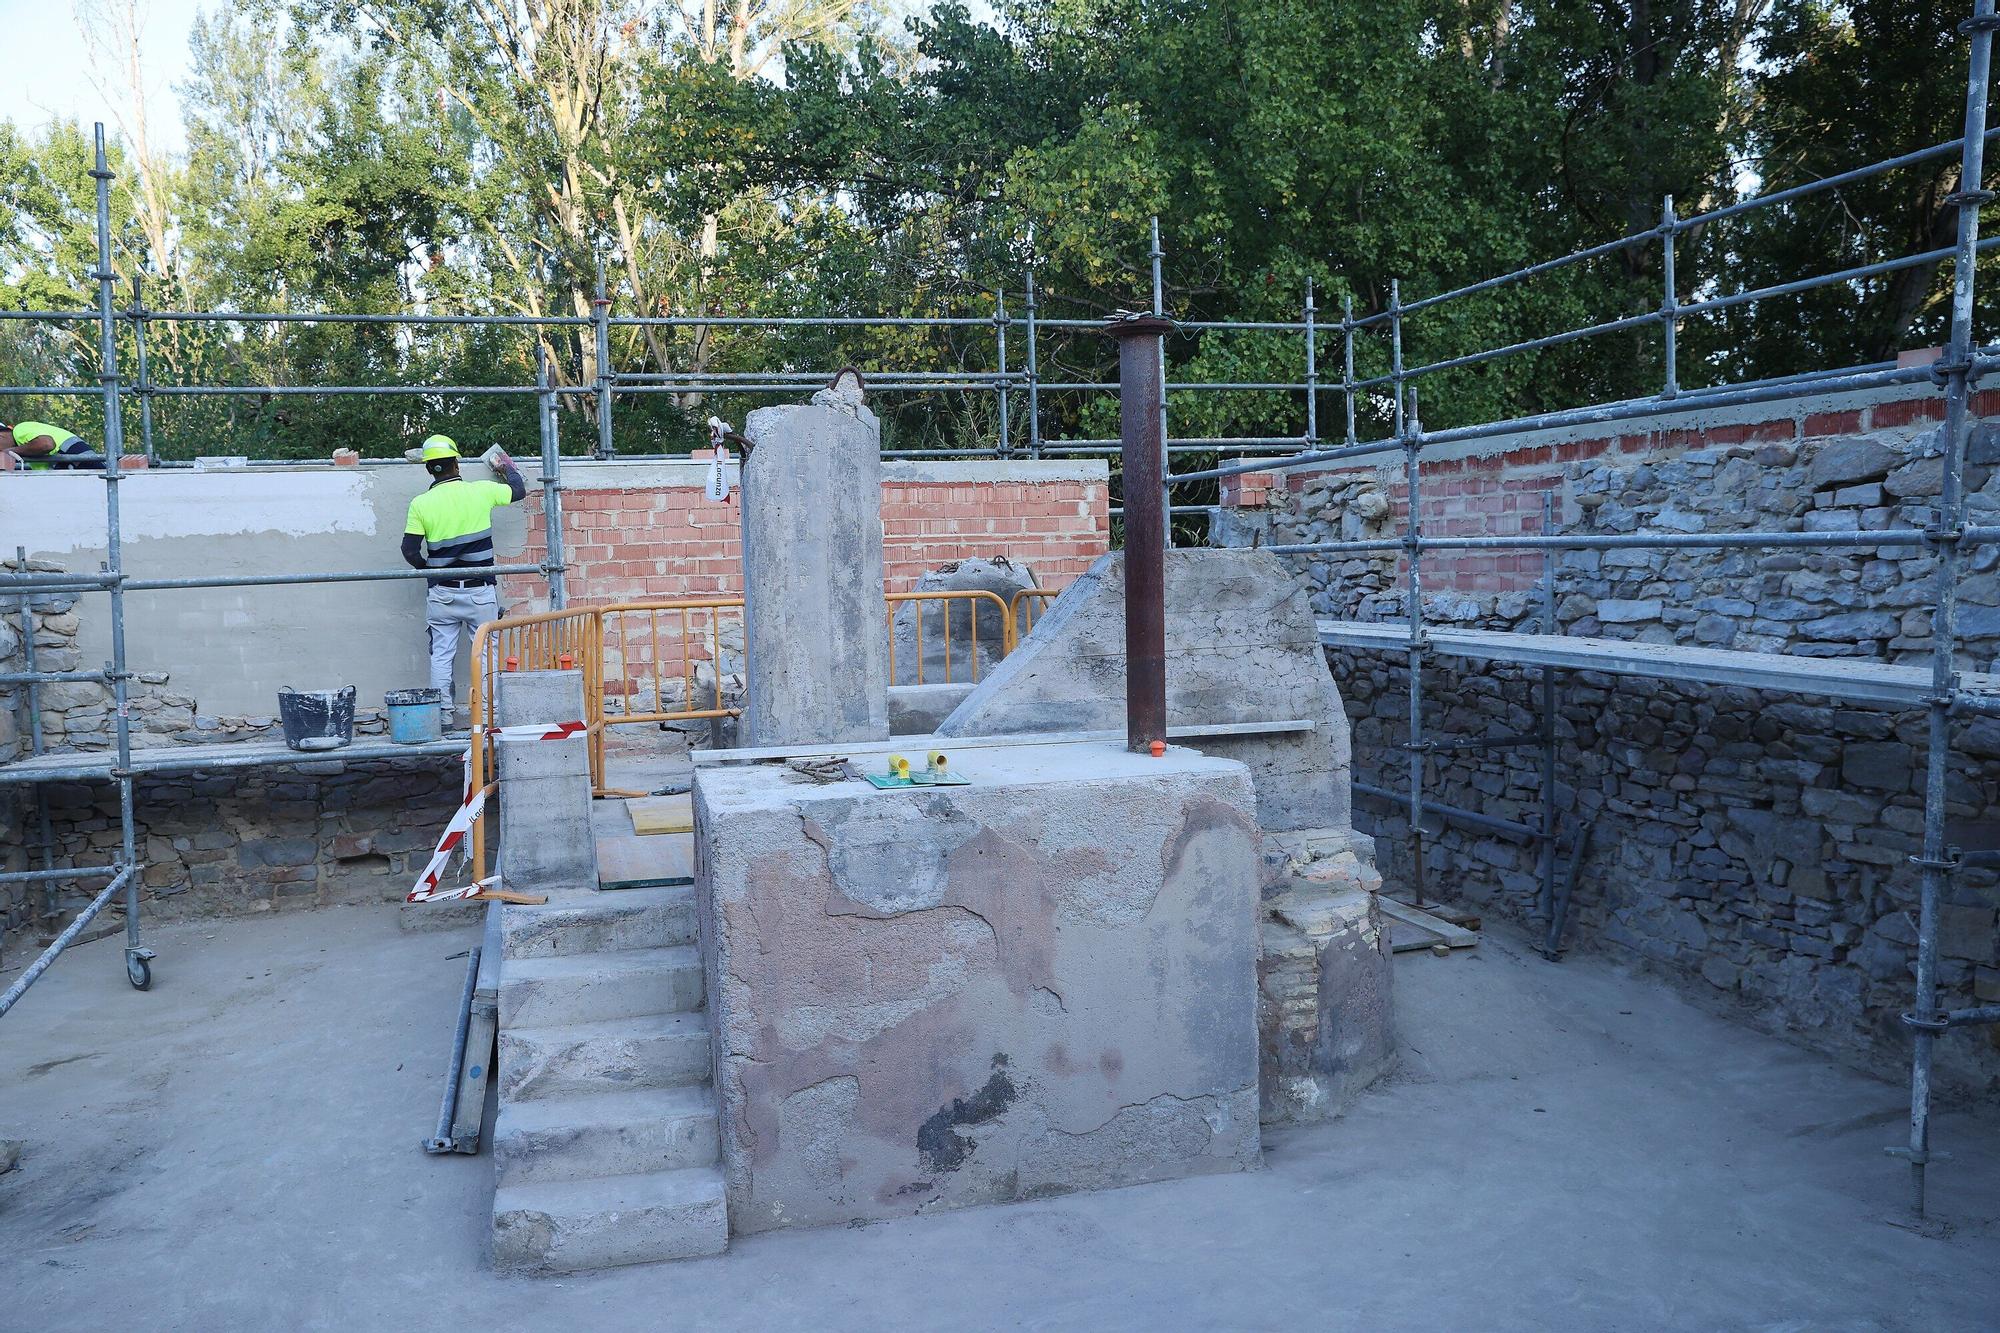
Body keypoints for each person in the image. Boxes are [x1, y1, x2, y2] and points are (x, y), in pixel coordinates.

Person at [400, 434, 526, 719]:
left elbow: (409, 550)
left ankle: (443, 715)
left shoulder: (421, 504)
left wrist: (430, 572)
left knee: (441, 655)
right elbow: (517, 491)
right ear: (456, 464)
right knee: (485, 653)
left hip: (442, 593)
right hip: (480, 592)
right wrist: (506, 468)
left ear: (428, 468)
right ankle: (487, 714)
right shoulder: (480, 491)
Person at [1, 421, 102, 471]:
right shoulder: (26, 449)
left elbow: (46, 444)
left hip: (77, 460)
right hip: (71, 464)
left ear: (2, 435)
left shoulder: (20, 429)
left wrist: (11, 451)